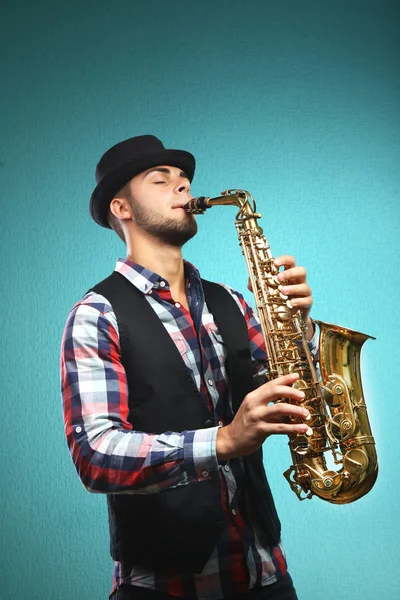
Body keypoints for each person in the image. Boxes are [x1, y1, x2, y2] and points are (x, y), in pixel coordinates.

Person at [61, 135, 317, 600]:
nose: (182, 187)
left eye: (184, 179)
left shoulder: (235, 303)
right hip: (165, 587)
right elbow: (95, 454)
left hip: (264, 573)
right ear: (122, 208)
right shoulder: (97, 314)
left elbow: (295, 389)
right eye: (161, 180)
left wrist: (299, 329)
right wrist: (223, 440)